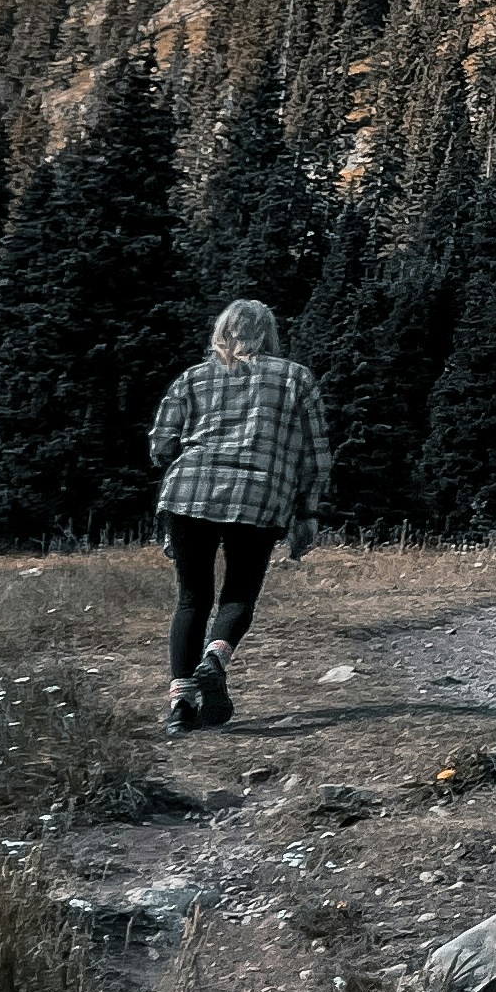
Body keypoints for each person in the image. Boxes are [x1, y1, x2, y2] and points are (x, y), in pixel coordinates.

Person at [147, 298, 331, 734]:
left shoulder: (193, 377)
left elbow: (160, 444)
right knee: (239, 594)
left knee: (192, 599)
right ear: (269, 333)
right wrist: (308, 511)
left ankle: (181, 710)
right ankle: (216, 658)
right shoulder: (295, 378)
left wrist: (191, 453)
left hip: (191, 493)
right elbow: (315, 454)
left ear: (221, 332)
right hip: (261, 494)